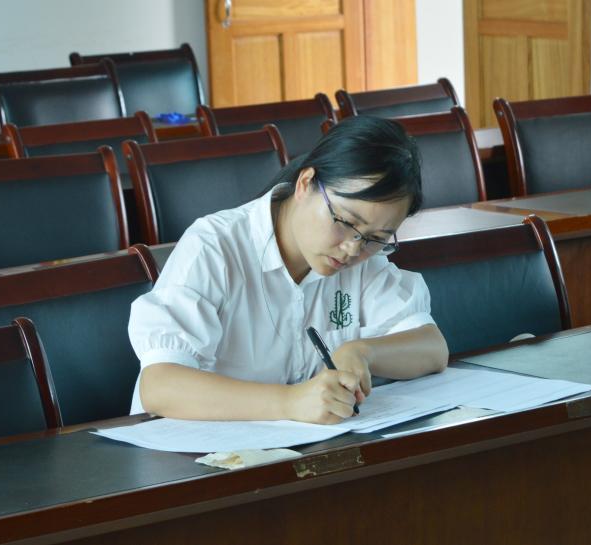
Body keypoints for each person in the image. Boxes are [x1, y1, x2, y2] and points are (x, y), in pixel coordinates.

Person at [128, 116, 449, 424]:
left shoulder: (362, 258)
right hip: (190, 453)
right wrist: (291, 402)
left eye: (376, 238)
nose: (353, 249)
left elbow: (432, 348)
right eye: (345, 222)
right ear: (305, 183)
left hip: (295, 451)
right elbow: (159, 385)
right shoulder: (214, 246)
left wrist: (362, 352)